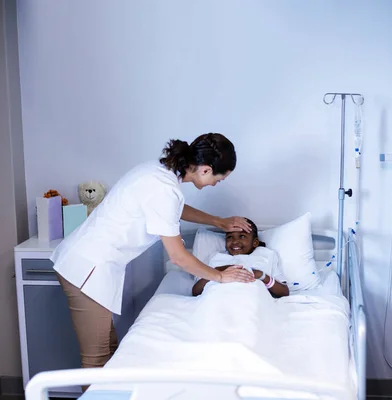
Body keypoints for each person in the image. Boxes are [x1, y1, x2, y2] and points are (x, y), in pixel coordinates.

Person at [50, 133, 255, 387]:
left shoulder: (159, 172)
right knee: (97, 361)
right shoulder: (164, 188)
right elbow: (179, 257)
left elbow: (173, 209)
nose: (216, 184)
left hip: (91, 263)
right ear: (205, 169)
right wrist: (221, 276)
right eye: (219, 179)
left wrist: (217, 221)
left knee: (110, 353)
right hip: (87, 267)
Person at [192, 219, 289, 298]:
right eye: (230, 237)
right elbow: (196, 291)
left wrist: (261, 275)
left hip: (252, 298)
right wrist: (217, 271)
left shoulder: (267, 255)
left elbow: (284, 291)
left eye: (242, 236)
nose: (235, 241)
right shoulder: (216, 257)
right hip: (219, 298)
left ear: (255, 242)